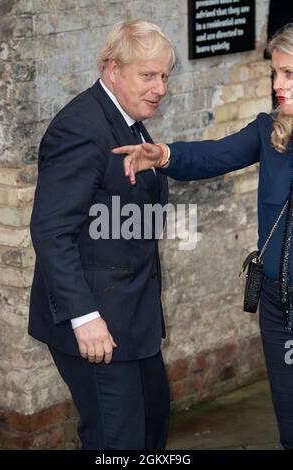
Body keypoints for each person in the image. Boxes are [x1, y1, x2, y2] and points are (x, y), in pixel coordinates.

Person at [113, 24, 293, 450]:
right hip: (277, 300)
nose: (278, 84)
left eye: (289, 74)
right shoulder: (271, 132)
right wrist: (163, 155)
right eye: (275, 74)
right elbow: (216, 154)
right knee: (289, 417)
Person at [29, 20, 176, 450]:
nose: (160, 88)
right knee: (117, 442)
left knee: (152, 423)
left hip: (135, 319)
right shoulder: (81, 128)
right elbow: (51, 231)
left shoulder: (128, 120)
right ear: (113, 70)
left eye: (164, 76)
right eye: (148, 76)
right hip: (97, 327)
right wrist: (84, 318)